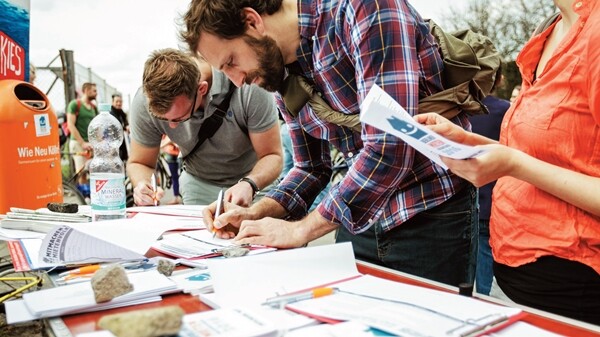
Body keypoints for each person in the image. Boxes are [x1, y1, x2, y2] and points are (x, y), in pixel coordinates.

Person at [182, 0, 478, 286]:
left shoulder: (363, 9)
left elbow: (389, 147)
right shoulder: (279, 68)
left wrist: (301, 230)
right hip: (359, 218)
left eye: (231, 62)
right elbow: (311, 167)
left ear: (252, 21)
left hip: (431, 214)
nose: (237, 81)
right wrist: (258, 212)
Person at [415, 0, 600, 324]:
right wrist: (472, 143)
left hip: (572, 283)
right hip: (517, 272)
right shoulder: (551, 28)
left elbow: (525, 162)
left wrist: (513, 163)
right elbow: (552, 154)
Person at [128, 48, 282, 207]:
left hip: (253, 180)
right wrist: (143, 185)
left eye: (179, 118)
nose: (172, 126)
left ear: (201, 89)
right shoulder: (144, 103)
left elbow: (272, 156)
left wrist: (250, 183)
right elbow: (140, 162)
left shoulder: (247, 84)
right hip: (198, 184)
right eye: (163, 119)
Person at [469, 65, 510, 295]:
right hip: (490, 203)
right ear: (499, 80)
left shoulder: (462, 109)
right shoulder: (505, 110)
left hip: (464, 202)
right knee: (484, 277)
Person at [66, 82, 97, 191]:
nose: (96, 93)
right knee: (81, 172)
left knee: (93, 170)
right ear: (87, 90)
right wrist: (82, 143)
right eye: (94, 91)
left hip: (91, 144)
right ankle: (83, 198)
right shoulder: (75, 104)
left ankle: (90, 193)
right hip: (78, 143)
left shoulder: (93, 108)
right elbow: (70, 125)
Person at [160, 135, 183, 204]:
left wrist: (162, 145)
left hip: (180, 151)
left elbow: (171, 137)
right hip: (171, 152)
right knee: (174, 177)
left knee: (183, 175)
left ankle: (183, 197)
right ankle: (176, 197)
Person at [109, 94, 129, 163]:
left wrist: (126, 127)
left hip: (122, 142)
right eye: (117, 101)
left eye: (120, 101)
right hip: (113, 144)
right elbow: (116, 126)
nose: (119, 103)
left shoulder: (122, 113)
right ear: (112, 102)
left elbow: (125, 123)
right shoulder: (110, 114)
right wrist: (124, 127)